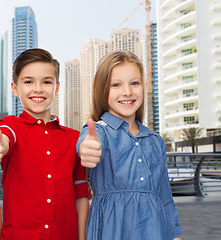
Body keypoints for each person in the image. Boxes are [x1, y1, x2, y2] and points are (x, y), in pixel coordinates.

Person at [0, 48, 90, 240]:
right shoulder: (9, 125)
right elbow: (4, 139)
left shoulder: (75, 139)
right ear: (15, 88)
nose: (38, 89)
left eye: (46, 82)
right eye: (28, 81)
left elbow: (81, 194)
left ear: (57, 88)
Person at [77, 51, 182, 240]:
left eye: (135, 83)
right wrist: (87, 149)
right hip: (111, 231)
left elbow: (165, 196)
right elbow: (87, 142)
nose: (127, 92)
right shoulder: (99, 131)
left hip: (156, 231)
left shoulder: (155, 141)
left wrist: (175, 234)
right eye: (116, 85)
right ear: (102, 90)